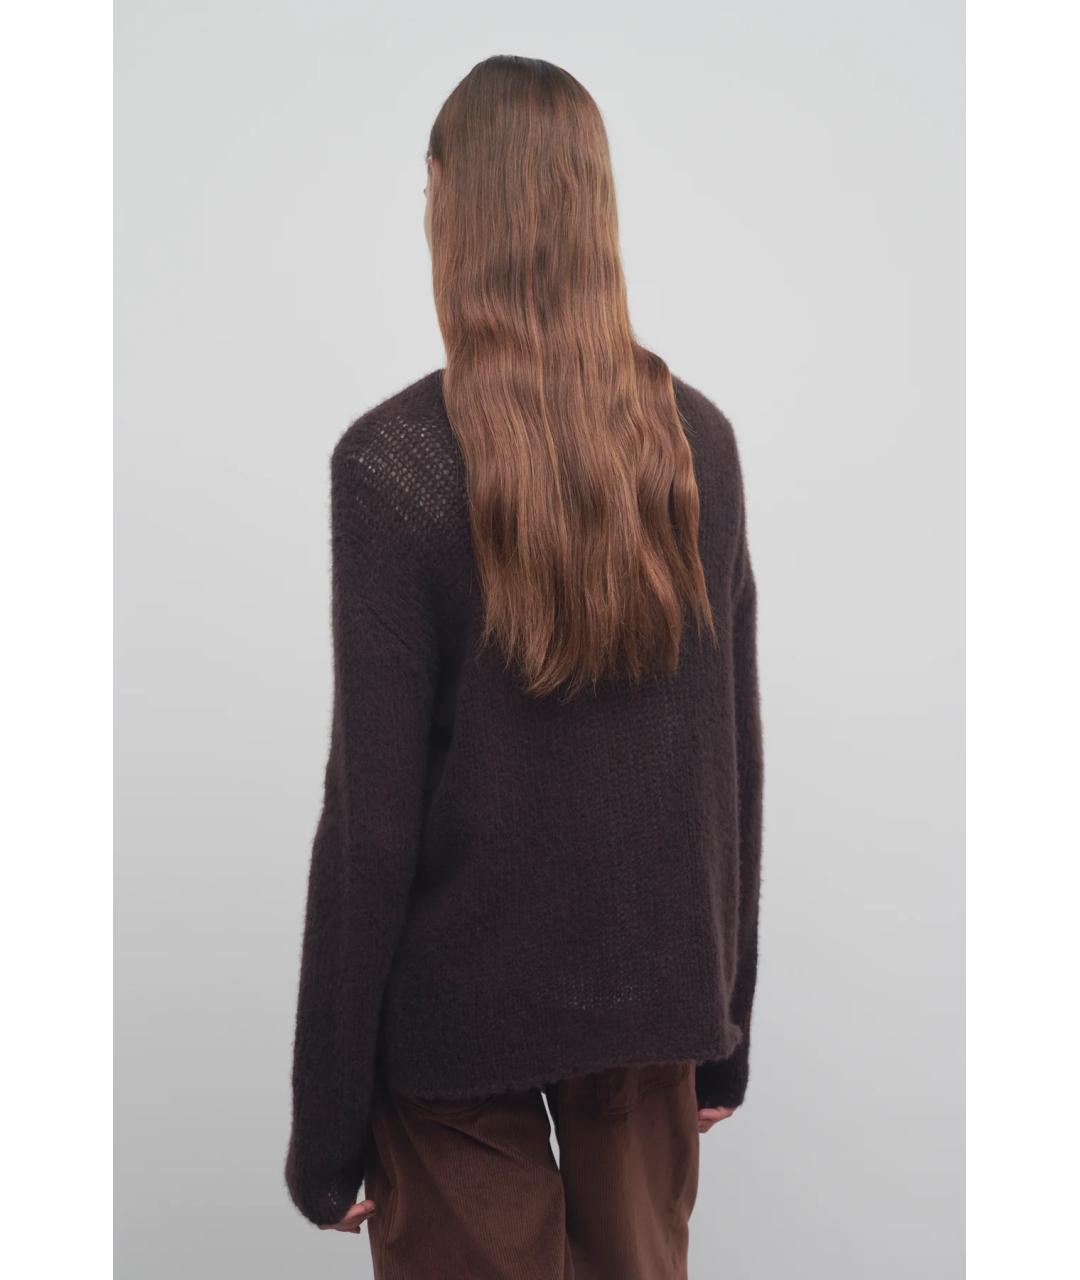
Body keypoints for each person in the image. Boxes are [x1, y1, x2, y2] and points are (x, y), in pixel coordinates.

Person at [285, 54, 764, 1280]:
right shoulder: (698, 442)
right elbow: (731, 759)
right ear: (594, 206)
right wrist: (723, 1024)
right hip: (653, 1005)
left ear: (453, 207)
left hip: (456, 1026)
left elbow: (371, 821)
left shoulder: (393, 466)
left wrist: (328, 1127)